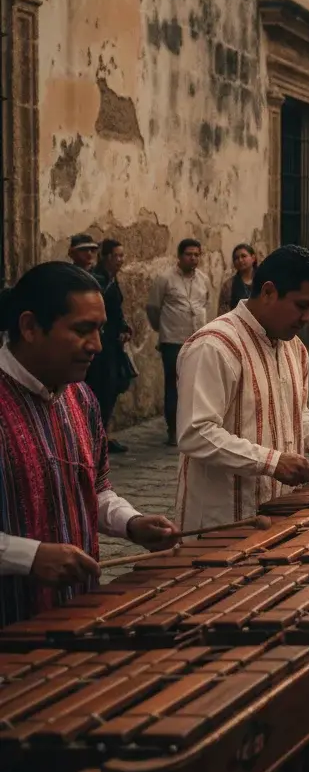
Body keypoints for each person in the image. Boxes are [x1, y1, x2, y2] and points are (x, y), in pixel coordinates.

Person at [0, 263, 177, 627]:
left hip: (75, 619)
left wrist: (132, 523)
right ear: (30, 327)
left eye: (100, 330)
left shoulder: (82, 398)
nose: (97, 345)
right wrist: (26, 556)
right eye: (83, 330)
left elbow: (94, 491)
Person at [175, 245, 309, 533]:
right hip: (223, 522)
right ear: (267, 292)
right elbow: (196, 433)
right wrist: (271, 462)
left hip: (278, 514)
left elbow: (295, 414)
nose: (307, 319)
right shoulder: (214, 345)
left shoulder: (295, 349)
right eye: (301, 306)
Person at [146, 238, 211, 446]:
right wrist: (163, 329)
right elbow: (153, 308)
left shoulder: (203, 279)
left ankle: (194, 427)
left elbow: (206, 304)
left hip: (197, 339)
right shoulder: (165, 279)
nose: (193, 258)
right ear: (179, 256)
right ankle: (173, 429)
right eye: (188, 254)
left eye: (196, 254)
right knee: (174, 385)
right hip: (173, 340)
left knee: (196, 385)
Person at [85, 239, 133, 454]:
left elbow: (117, 312)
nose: (120, 260)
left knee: (112, 388)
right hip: (100, 345)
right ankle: (94, 437)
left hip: (113, 345)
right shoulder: (97, 281)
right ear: (106, 257)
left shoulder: (113, 281)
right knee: (99, 389)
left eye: (122, 256)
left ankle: (102, 435)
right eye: (116, 256)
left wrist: (124, 328)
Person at [218, 243, 257, 316]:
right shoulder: (228, 285)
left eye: (243, 256)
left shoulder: (263, 279)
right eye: (236, 258)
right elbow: (223, 312)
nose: (240, 260)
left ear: (253, 258)